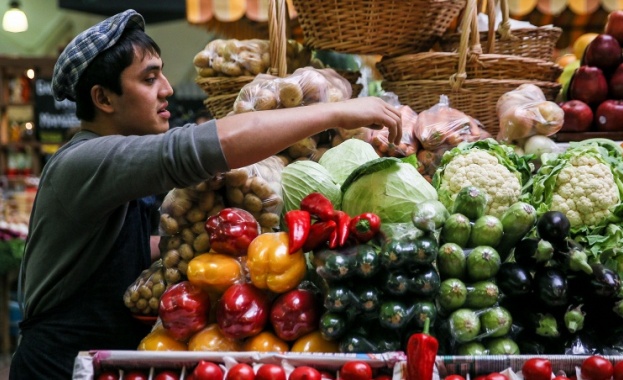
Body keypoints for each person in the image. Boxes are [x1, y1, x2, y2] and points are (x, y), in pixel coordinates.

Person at [9, 9, 402, 379]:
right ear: (103, 98)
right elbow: (203, 146)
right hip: (59, 363)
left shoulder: (108, 160)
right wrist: (339, 112)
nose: (166, 90)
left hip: (104, 356)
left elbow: (111, 256)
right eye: (148, 79)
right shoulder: (84, 161)